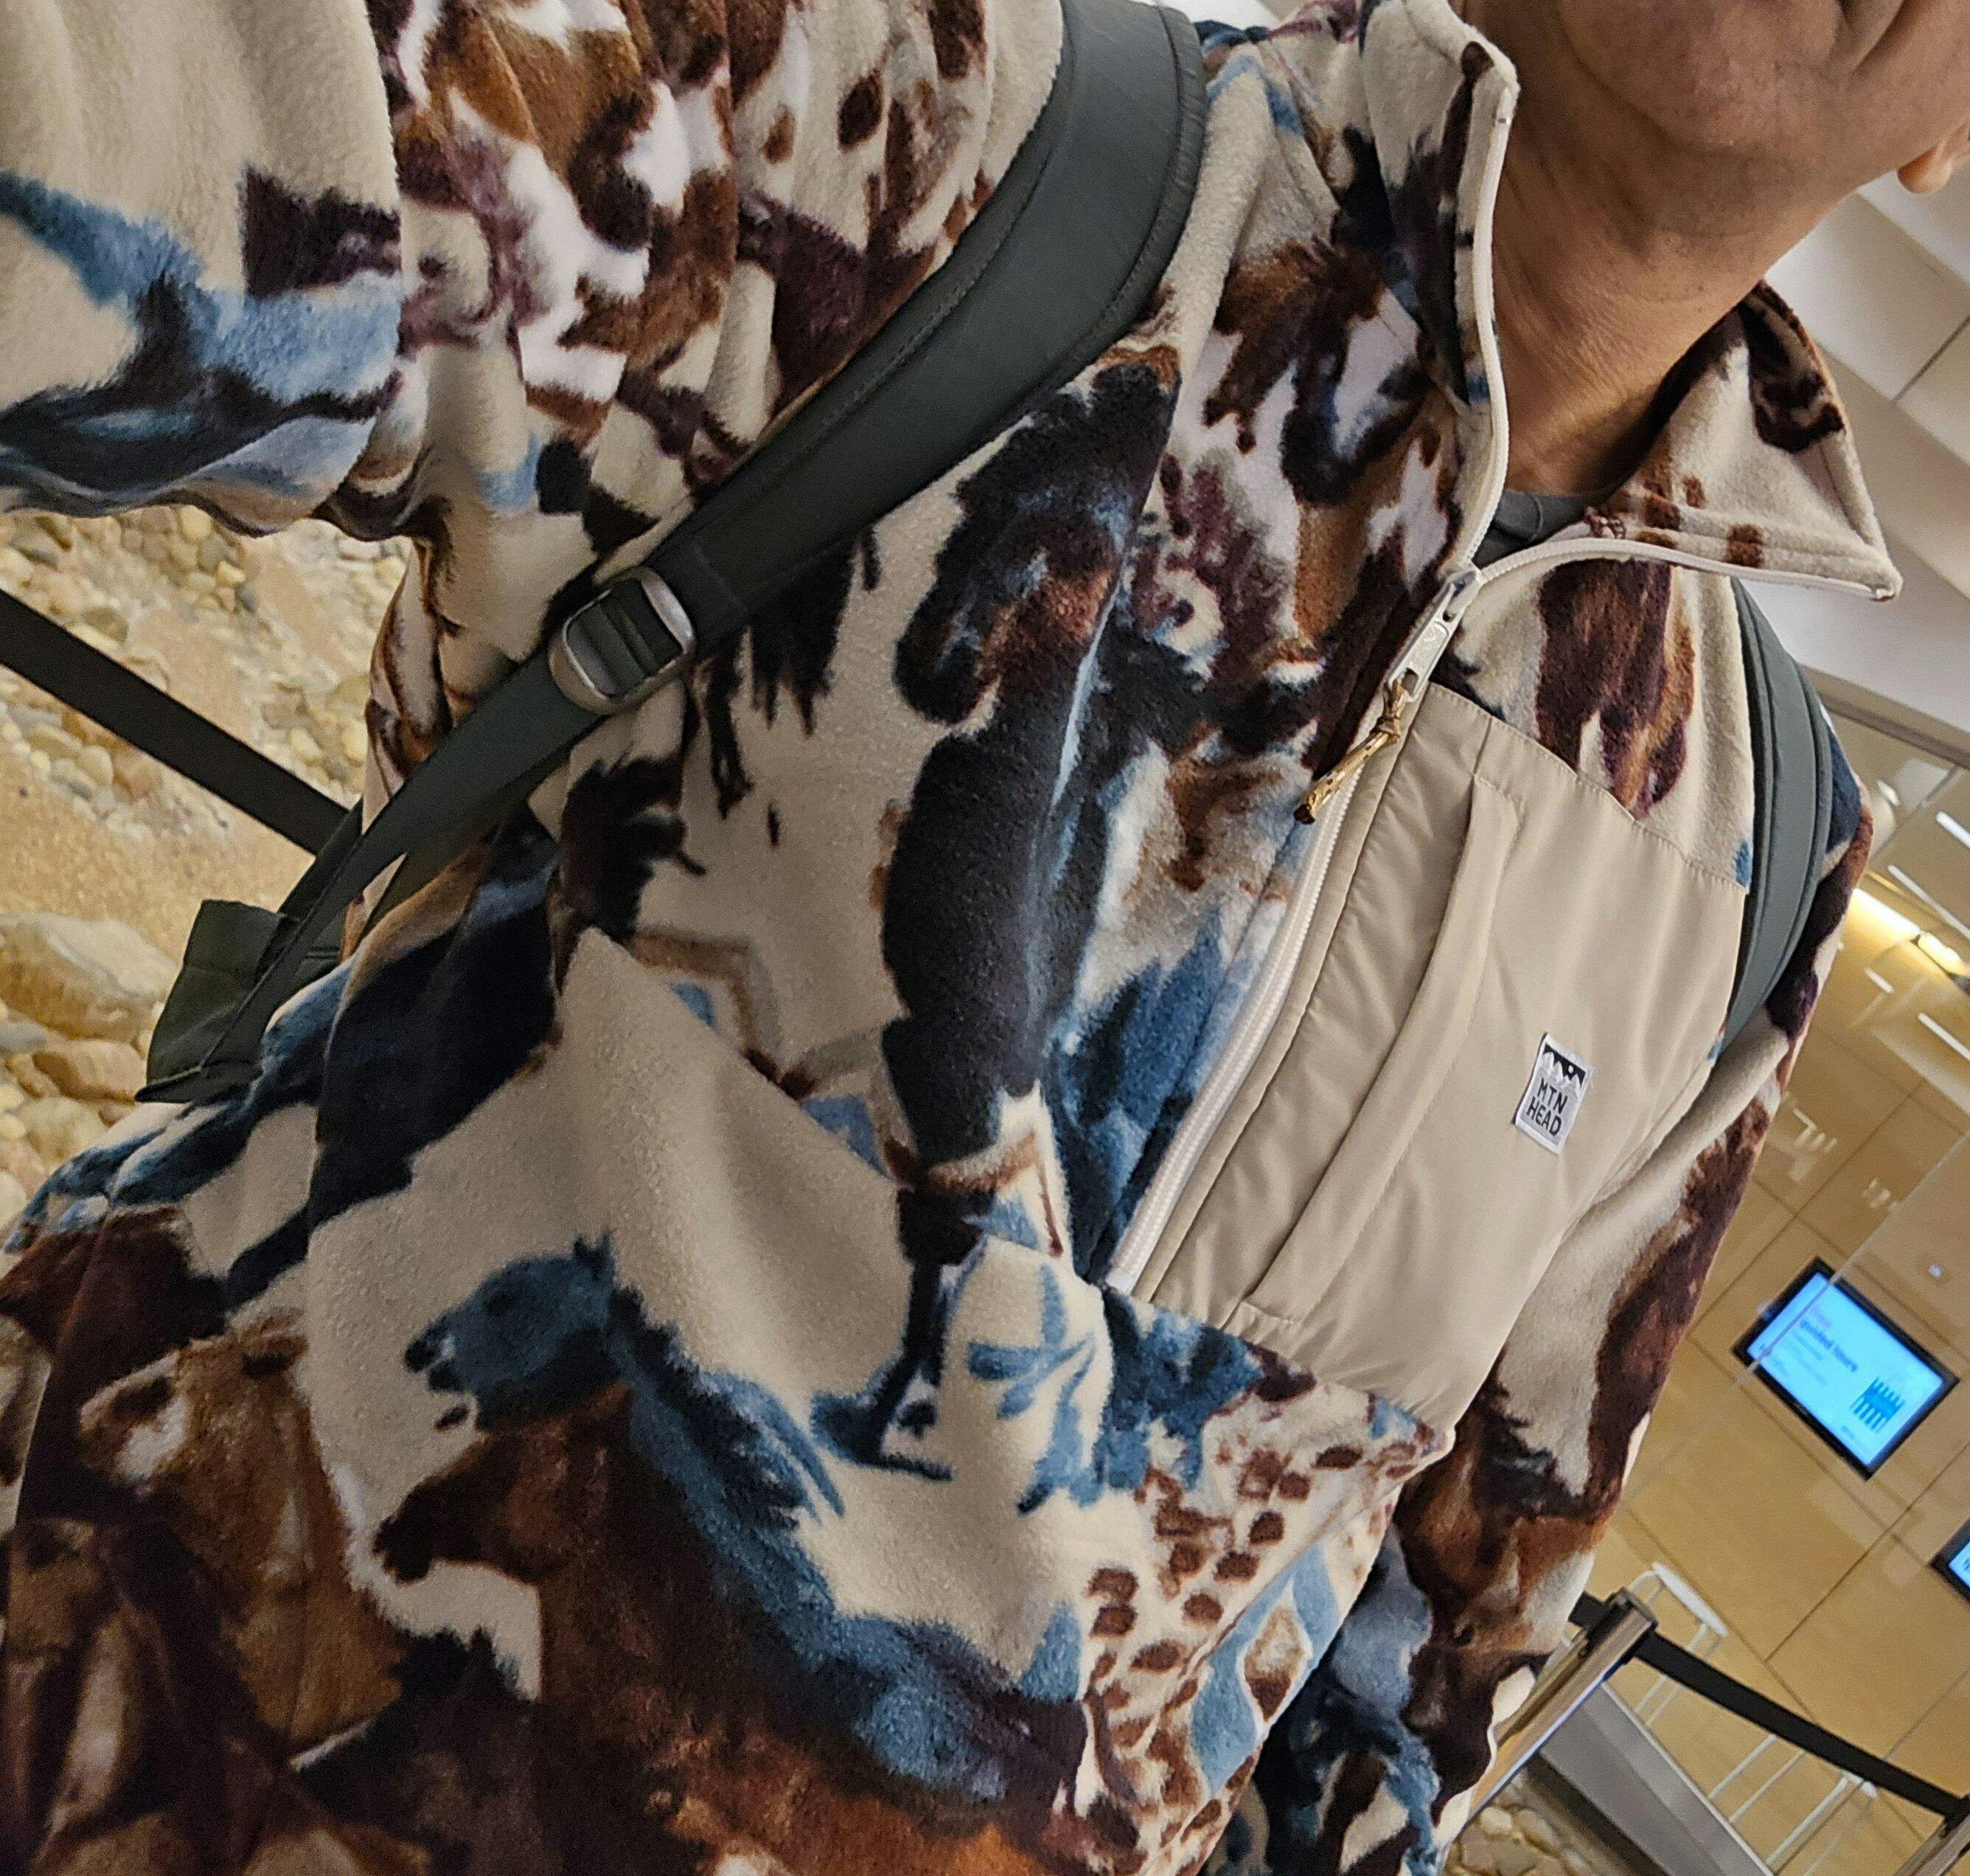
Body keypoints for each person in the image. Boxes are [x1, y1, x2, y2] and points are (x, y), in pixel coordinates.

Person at [0, 1, 1962, 1872]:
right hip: (146, 1746)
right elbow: (212, 104)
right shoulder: (937, 128)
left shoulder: (1747, 853)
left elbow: (1400, 1675)